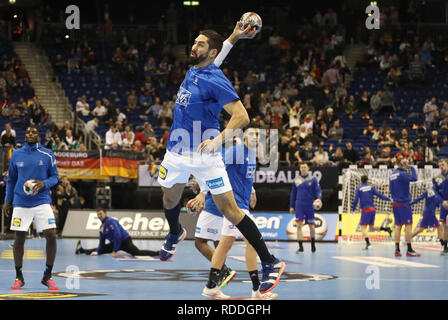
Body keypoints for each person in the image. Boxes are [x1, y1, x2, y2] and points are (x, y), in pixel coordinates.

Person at [156, 23, 285, 295]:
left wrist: (218, 141)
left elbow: (242, 117)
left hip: (206, 155)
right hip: (176, 153)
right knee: (169, 198)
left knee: (231, 211)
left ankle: (270, 262)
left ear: (209, 51)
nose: (194, 46)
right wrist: (235, 36)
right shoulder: (197, 68)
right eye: (194, 42)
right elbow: (220, 53)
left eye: (201, 44)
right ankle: (174, 232)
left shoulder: (215, 79)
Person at [189, 129, 278, 299]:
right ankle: (256, 290)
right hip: (235, 206)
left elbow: (244, 177)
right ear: (244, 137)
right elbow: (214, 170)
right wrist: (203, 192)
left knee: (224, 246)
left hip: (242, 204)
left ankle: (211, 287)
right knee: (247, 243)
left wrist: (252, 191)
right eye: (252, 134)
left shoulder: (252, 154)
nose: (256, 137)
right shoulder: (235, 152)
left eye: (258, 135)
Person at [2, 126, 60, 290]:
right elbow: (11, 180)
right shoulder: (17, 154)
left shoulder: (47, 154)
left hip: (41, 200)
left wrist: (44, 184)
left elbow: (55, 176)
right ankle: (18, 276)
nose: (30, 134)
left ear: (39, 136)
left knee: (51, 234)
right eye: (27, 132)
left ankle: (47, 275)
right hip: (21, 202)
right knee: (19, 239)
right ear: (25, 135)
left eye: (33, 132)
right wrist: (8, 200)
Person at [75, 208, 160, 257]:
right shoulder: (101, 227)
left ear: (105, 213)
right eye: (98, 214)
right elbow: (101, 242)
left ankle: (158, 253)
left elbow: (118, 235)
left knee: (137, 253)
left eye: (101, 214)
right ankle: (82, 250)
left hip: (125, 241)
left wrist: (115, 251)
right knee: (101, 249)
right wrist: (98, 252)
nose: (99, 216)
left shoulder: (111, 221)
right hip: (115, 243)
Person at [389, 156, 420, 257]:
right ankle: (409, 249)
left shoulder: (392, 175)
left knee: (398, 226)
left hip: (395, 203)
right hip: (403, 203)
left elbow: (391, 190)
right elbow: (415, 178)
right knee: (408, 225)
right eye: (405, 162)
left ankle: (397, 250)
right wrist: (411, 167)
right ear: (402, 164)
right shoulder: (402, 174)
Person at [352, 175, 393, 250]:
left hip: (366, 210)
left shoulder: (359, 189)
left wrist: (353, 209)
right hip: (373, 210)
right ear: (367, 180)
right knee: (372, 227)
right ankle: (387, 229)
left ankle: (368, 244)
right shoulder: (371, 188)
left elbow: (356, 200)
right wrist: (388, 199)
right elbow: (380, 195)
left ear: (361, 181)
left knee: (363, 228)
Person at [289, 162, 323, 253]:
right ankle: (301, 247)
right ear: (300, 169)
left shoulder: (313, 179)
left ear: (308, 168)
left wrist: (319, 199)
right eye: (301, 167)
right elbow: (293, 193)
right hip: (299, 205)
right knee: (299, 226)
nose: (303, 168)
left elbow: (318, 190)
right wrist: (291, 206)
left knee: (312, 226)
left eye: (305, 167)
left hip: (309, 206)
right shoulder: (296, 180)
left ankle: (313, 245)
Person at [433, 158, 448, 255]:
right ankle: (445, 246)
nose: (441, 167)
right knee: (445, 227)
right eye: (440, 165)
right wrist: (442, 202)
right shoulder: (437, 178)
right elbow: (435, 192)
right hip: (444, 205)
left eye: (443, 164)